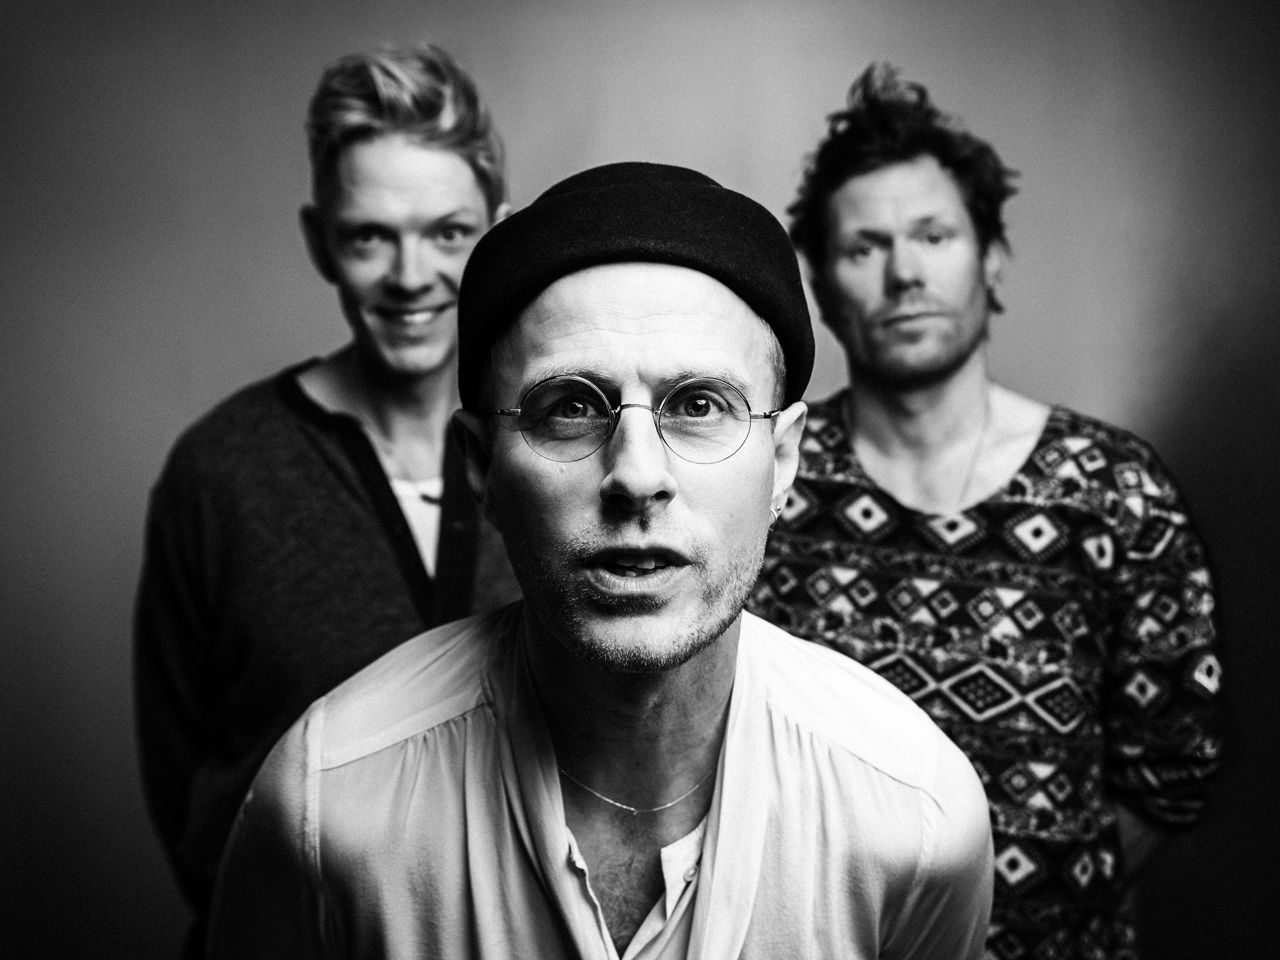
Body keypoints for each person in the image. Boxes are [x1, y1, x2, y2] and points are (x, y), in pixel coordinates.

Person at [206, 161, 994, 959]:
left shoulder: (915, 818)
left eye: (699, 405)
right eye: (571, 408)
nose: (638, 477)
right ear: (482, 466)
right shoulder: (326, 807)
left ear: (783, 460)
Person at [748, 64, 1224, 960]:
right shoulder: (769, 486)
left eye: (933, 235)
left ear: (992, 258)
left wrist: (1023, 914)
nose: (905, 273)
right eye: (865, 248)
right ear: (822, 286)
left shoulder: (1114, 492)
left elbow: (1172, 771)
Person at [133, 45, 519, 952]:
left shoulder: (557, 454)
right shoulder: (222, 472)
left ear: (497, 236)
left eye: (449, 233)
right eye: (369, 236)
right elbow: (182, 777)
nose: (411, 275)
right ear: (319, 242)